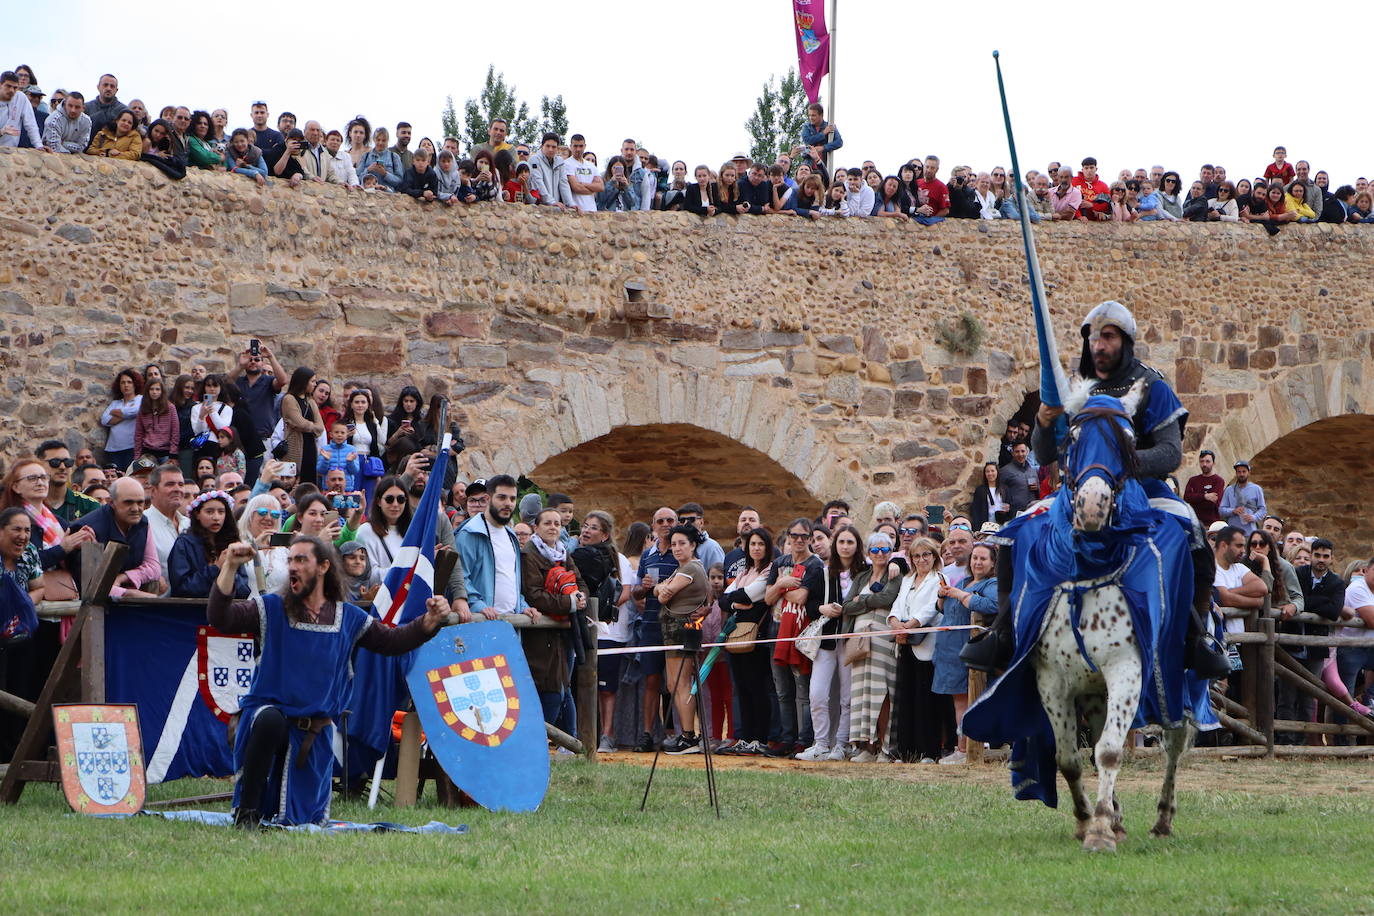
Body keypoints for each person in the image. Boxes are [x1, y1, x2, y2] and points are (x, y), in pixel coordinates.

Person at [965, 300, 1229, 679]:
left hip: (1142, 488)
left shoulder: (1152, 385)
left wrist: (1118, 464)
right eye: (1093, 338)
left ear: (1125, 340)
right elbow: (1044, 453)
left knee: (1191, 530)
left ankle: (1195, 637)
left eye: (1108, 336)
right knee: (1013, 533)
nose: (1099, 345)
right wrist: (1042, 422)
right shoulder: (1075, 389)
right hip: (1077, 490)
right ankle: (1004, 633)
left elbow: (1170, 453)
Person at [211, 537, 449, 827]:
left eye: (301, 560)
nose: (293, 568)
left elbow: (392, 641)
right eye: (290, 561)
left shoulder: (348, 617)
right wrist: (230, 568)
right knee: (269, 719)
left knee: (302, 820)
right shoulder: (272, 608)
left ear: (324, 566)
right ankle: (247, 814)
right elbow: (220, 618)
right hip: (267, 721)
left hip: (312, 736)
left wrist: (428, 622)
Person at [520, 508, 588, 736]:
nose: (553, 527)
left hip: (564, 633)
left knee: (562, 688)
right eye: (547, 523)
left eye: (557, 524)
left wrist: (581, 598)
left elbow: (580, 581)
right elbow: (533, 593)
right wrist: (568, 603)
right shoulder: (529, 554)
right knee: (548, 688)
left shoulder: (563, 554)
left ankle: (570, 742)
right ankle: (537, 741)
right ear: (536, 527)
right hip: (539, 633)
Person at [800, 525, 864, 761]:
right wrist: (821, 608)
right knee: (817, 694)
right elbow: (809, 604)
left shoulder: (865, 572)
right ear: (835, 545)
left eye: (850, 542)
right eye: (842, 542)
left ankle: (841, 744)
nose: (845, 547)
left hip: (851, 640)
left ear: (857, 546)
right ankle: (821, 743)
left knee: (847, 697)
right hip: (826, 640)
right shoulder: (823, 572)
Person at [573, 511, 633, 753]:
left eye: (593, 527)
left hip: (609, 632)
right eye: (585, 526)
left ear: (605, 534)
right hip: (590, 628)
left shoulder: (614, 559)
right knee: (587, 684)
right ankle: (590, 734)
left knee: (606, 688)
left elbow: (624, 592)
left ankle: (606, 734)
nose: (586, 530)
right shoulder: (582, 554)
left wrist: (599, 613)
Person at [765, 518, 824, 757]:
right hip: (776, 631)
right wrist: (782, 583)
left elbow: (801, 597)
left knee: (803, 690)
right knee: (782, 691)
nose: (799, 540)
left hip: (801, 633)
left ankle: (804, 739)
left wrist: (781, 588)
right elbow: (768, 599)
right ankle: (787, 738)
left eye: (804, 536)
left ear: (810, 538)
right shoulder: (779, 563)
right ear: (788, 536)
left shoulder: (815, 565)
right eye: (795, 536)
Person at [933, 540, 996, 764]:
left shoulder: (992, 583)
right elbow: (942, 610)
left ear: (992, 563)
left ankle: (966, 748)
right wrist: (942, 595)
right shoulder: (963, 580)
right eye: (975, 557)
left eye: (983, 558)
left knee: (969, 700)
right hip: (948, 648)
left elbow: (992, 605)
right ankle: (963, 747)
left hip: (968, 647)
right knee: (958, 701)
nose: (978, 562)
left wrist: (960, 595)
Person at [886, 537, 947, 762]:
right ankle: (906, 750)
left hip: (926, 645)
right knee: (906, 698)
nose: (922, 560)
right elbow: (897, 604)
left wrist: (909, 626)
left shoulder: (939, 578)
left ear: (934, 557)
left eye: (926, 555)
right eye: (917, 556)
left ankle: (928, 752)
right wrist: (895, 624)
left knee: (926, 701)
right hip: (904, 645)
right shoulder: (908, 579)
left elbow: (931, 610)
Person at [654, 523, 711, 755]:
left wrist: (663, 589)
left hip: (681, 628)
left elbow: (662, 595)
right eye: (674, 544)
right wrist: (662, 588)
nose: (677, 548)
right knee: (672, 684)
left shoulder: (693, 568)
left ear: (693, 545)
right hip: (672, 630)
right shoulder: (683, 568)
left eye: (682, 544)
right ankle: (686, 734)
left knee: (681, 683)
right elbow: (659, 590)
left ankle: (689, 736)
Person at [628, 507, 679, 751]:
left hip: (676, 624)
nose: (666, 524)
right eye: (661, 521)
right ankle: (647, 734)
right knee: (651, 680)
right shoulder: (647, 555)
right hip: (650, 624)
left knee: (677, 681)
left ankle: (682, 733)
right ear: (653, 525)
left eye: (670, 520)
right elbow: (635, 593)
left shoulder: (682, 551)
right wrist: (644, 587)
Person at [455, 474, 526, 620]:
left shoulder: (511, 536)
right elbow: (459, 577)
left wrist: (524, 607)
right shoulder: (469, 533)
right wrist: (477, 605)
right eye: (502, 497)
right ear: (488, 499)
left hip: (512, 624)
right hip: (480, 623)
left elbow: (512, 581)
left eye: (512, 499)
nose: (508, 503)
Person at [167, 491, 247, 598]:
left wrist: (230, 569)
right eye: (209, 512)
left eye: (221, 512)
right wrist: (216, 568)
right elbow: (182, 588)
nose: (216, 517)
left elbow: (244, 590)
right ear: (197, 514)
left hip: (227, 610)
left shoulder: (231, 542)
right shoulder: (184, 543)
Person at [33, 440, 99, 525]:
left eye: (68, 462)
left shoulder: (88, 505)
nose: (63, 467)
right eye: (55, 462)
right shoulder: (30, 504)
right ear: (39, 465)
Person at [278, 367, 324, 487]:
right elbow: (300, 423)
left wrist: (306, 426)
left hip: (310, 446)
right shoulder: (289, 399)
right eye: (312, 381)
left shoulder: (310, 401)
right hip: (294, 446)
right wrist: (308, 426)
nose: (315, 384)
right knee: (292, 482)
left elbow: (320, 427)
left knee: (309, 481)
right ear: (304, 381)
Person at [143, 462, 188, 577]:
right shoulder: (142, 523)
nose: (177, 489)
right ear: (153, 491)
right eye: (170, 484)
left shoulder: (190, 525)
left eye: (181, 484)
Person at [100, 369, 143, 471]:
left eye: (129, 382)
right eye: (123, 382)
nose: (126, 385)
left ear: (135, 384)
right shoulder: (115, 403)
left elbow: (136, 412)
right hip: (113, 448)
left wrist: (116, 413)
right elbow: (104, 420)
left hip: (131, 447)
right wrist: (125, 414)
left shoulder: (141, 399)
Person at [1219, 460, 1265, 535]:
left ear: (1248, 472)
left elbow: (1263, 509)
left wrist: (1254, 517)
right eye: (1239, 472)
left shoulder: (1256, 489)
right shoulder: (1229, 490)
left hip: (1250, 532)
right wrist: (1233, 511)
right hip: (1232, 533)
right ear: (1236, 473)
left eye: (1244, 471)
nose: (1241, 474)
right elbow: (1221, 510)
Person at [1183, 450, 1225, 527]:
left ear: (1213, 463)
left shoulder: (1218, 481)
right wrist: (1205, 496)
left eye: (1207, 461)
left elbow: (1213, 501)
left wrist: (1195, 497)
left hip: (1211, 524)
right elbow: (1187, 497)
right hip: (1195, 523)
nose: (1204, 464)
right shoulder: (1193, 480)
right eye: (1202, 461)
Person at [970, 461, 1009, 530]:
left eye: (992, 471)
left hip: (1002, 524)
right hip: (986, 525)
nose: (990, 473)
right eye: (987, 471)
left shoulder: (1004, 489)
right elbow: (975, 511)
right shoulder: (980, 490)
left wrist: (1008, 509)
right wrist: (977, 528)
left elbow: (1010, 505)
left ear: (997, 472)